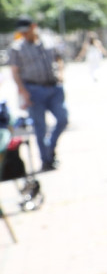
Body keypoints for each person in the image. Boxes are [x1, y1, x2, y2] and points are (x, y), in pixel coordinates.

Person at [9, 17, 67, 172]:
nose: (24, 35)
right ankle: (46, 160)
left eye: (26, 31)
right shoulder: (17, 48)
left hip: (54, 88)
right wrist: (24, 93)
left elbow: (59, 59)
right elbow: (15, 72)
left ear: (33, 27)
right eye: (21, 32)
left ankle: (50, 148)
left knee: (62, 119)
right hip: (33, 90)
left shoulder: (49, 41)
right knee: (40, 128)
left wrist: (61, 74)